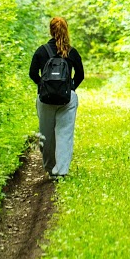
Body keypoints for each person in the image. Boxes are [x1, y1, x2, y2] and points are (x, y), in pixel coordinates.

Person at [29, 16, 85, 180]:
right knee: (64, 134)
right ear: (66, 30)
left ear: (50, 30)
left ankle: (50, 168)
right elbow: (80, 75)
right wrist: (70, 88)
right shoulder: (72, 52)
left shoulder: (41, 51)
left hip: (45, 100)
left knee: (46, 134)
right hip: (67, 100)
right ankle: (61, 171)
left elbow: (32, 73)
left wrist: (42, 86)